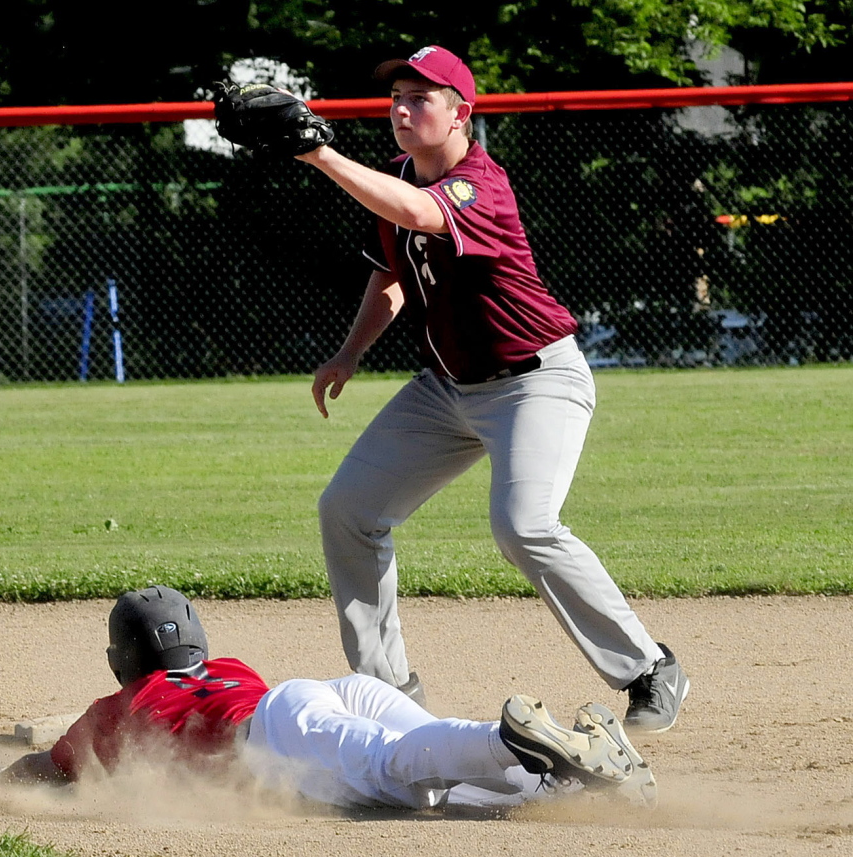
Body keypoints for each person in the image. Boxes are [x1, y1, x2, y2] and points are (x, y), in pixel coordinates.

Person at [295, 45, 688, 731]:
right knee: (348, 508)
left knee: (523, 524)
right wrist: (349, 353)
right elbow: (389, 272)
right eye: (397, 97)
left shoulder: (480, 184)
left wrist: (320, 155)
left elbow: (420, 215)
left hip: (536, 382)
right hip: (445, 390)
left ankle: (650, 667)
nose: (402, 108)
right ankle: (386, 691)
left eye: (422, 98)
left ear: (460, 114)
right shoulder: (393, 181)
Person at [2, 586, 657, 811]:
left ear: (124, 661)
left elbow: (46, 769)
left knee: (398, 765)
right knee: (428, 773)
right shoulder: (227, 667)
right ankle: (558, 778)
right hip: (322, 692)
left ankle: (508, 739)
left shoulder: (118, 709)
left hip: (276, 737)